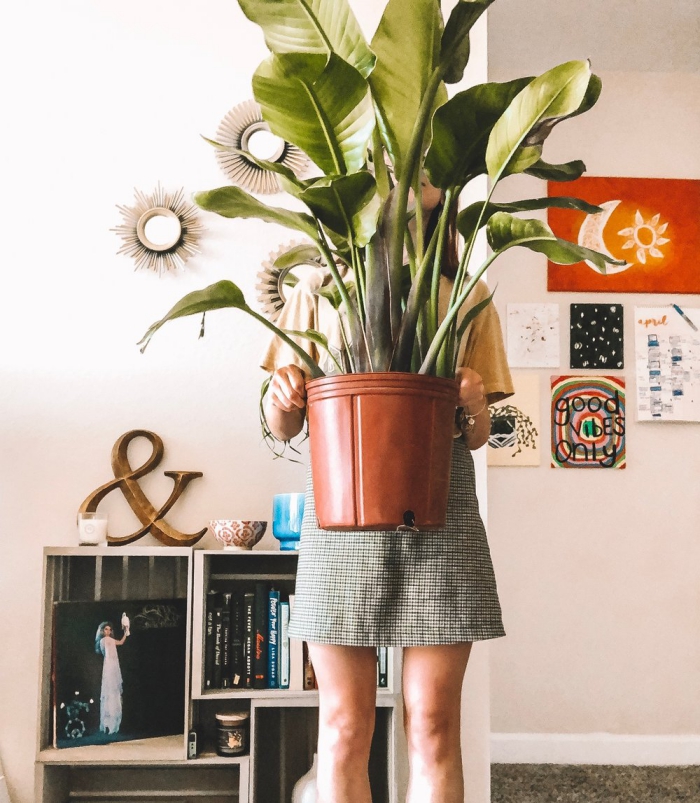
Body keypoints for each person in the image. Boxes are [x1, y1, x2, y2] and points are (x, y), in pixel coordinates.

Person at [260, 177, 513, 803]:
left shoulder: (468, 296)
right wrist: (282, 395)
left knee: (433, 724)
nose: (410, 175)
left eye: (429, 166)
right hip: (340, 516)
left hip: (441, 514)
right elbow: (284, 425)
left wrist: (476, 403)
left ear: (445, 193)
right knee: (344, 727)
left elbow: (477, 437)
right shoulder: (316, 291)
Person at [94, 621, 129, 735]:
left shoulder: (106, 640)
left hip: (111, 666)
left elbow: (121, 642)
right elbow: (110, 652)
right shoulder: (104, 641)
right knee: (111, 691)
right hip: (110, 666)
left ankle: (111, 723)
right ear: (102, 631)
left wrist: (125, 632)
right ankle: (109, 723)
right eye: (106, 629)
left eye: (109, 629)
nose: (108, 631)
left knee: (112, 692)